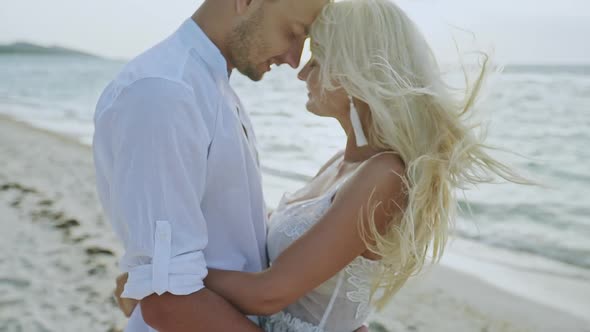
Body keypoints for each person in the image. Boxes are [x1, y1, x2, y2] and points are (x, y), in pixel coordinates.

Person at [198, 0, 530, 331]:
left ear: (355, 73)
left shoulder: (384, 175)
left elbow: (268, 294)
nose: (301, 73)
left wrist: (174, 273)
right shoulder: (340, 165)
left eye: (317, 60)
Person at [93, 0, 328, 331]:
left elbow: (233, 236)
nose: (294, 59)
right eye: (292, 33)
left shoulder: (210, 86)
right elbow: (168, 301)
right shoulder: (165, 93)